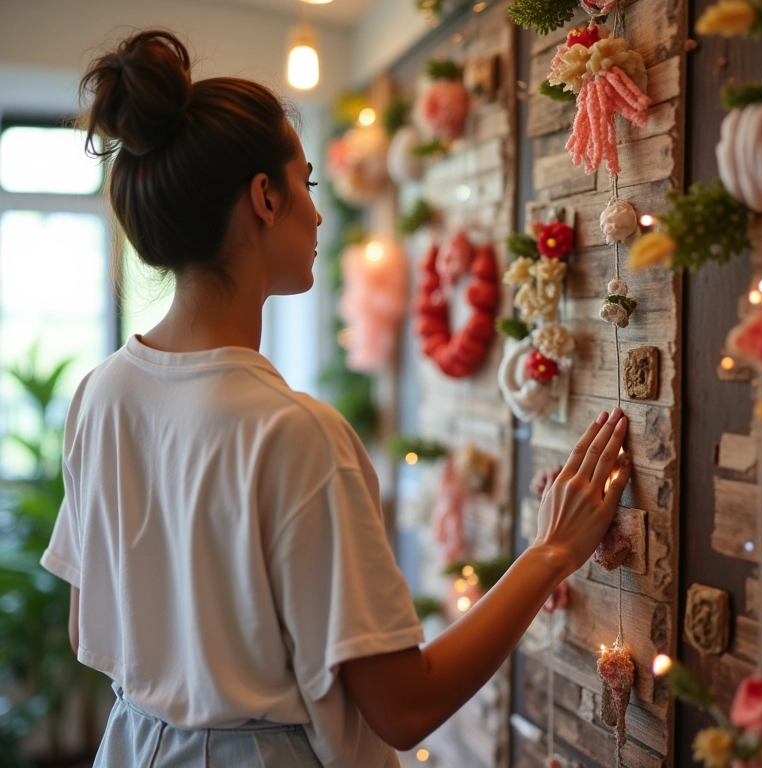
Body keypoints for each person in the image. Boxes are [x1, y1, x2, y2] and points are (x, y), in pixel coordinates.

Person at [40, 29, 632, 768]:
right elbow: (404, 707)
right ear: (265, 198)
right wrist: (550, 553)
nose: (318, 216)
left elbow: (87, 627)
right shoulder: (297, 435)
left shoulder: (100, 396)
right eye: (308, 185)